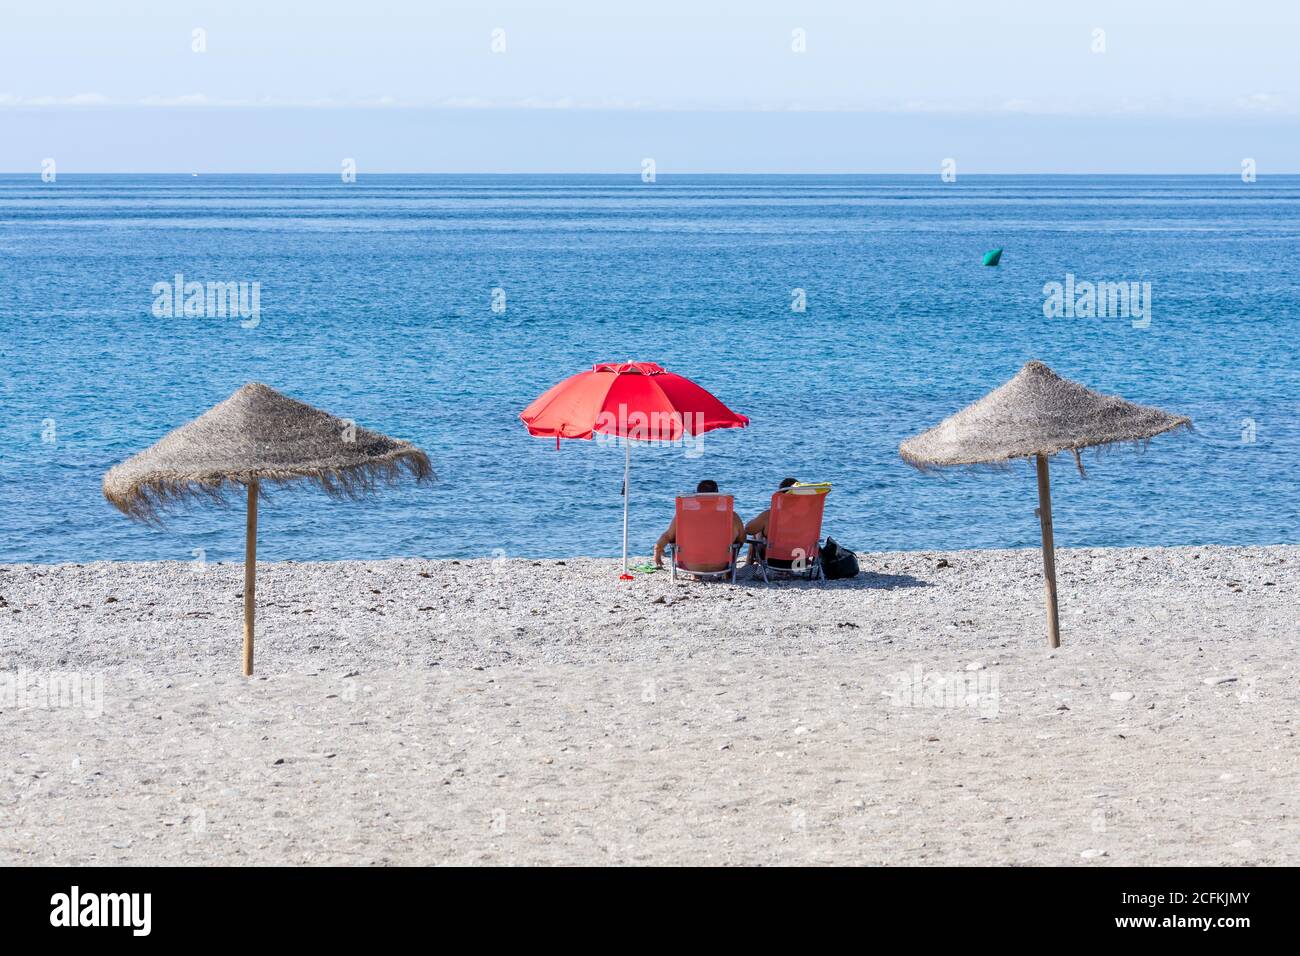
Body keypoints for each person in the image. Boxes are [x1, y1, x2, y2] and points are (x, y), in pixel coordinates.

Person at [653, 479, 746, 571]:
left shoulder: (683, 516)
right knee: (737, 541)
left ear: (697, 498)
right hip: (721, 566)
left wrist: (657, 551)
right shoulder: (732, 517)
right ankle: (728, 573)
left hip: (691, 565)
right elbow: (742, 539)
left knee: (673, 536)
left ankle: (696, 574)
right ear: (718, 497)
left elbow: (666, 537)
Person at [745, 477, 798, 564]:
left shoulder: (770, 515)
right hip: (800, 559)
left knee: (757, 531)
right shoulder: (809, 516)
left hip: (774, 561)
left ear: (780, 496)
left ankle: (748, 565)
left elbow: (748, 529)